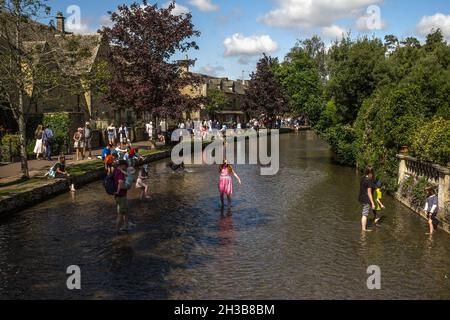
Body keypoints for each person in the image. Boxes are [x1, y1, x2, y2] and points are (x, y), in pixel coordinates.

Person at [114, 160, 129, 233]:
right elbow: (120, 183)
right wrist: (118, 191)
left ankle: (126, 226)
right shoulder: (120, 173)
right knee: (120, 214)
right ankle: (117, 230)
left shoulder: (116, 171)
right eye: (125, 166)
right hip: (121, 195)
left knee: (125, 212)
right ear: (122, 165)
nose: (126, 168)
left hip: (118, 196)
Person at [358, 166, 376, 232]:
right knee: (365, 214)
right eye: (373, 174)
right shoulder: (369, 181)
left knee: (364, 212)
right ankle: (363, 229)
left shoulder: (362, 178)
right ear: (370, 173)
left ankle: (364, 226)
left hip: (361, 198)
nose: (373, 175)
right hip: (366, 199)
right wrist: (373, 203)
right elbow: (369, 193)